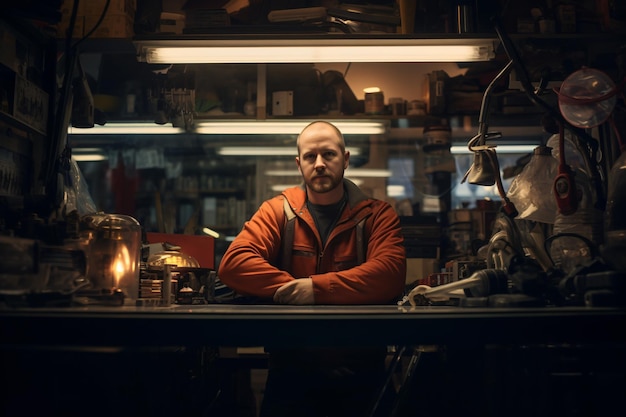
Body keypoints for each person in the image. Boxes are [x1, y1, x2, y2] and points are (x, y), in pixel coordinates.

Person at [218, 120, 407, 417]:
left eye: (329, 155)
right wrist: (299, 287)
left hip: (361, 373)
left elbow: (389, 274)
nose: (319, 164)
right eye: (310, 156)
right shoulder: (278, 210)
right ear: (299, 163)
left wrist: (315, 289)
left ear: (345, 159)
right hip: (292, 372)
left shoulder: (377, 215)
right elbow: (235, 264)